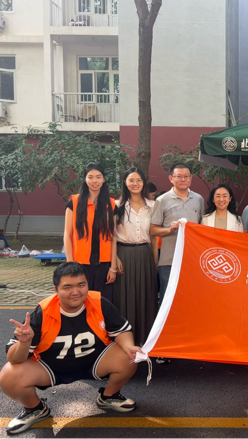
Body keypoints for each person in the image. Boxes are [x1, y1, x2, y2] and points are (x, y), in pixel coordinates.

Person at [0, 262, 141, 434]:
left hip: (94, 362)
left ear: (87, 285)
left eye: (81, 285)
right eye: (67, 287)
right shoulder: (43, 312)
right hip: (51, 368)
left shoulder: (99, 303)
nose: (75, 292)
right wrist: (24, 343)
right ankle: (35, 409)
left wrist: (129, 346)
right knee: (9, 375)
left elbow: (121, 331)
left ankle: (109, 396)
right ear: (56, 290)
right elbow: (14, 359)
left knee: (130, 355)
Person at [114, 167, 158, 346]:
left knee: (146, 296)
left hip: (145, 254)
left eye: (138, 180)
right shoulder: (117, 205)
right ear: (125, 183)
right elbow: (111, 235)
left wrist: (155, 261)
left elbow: (153, 236)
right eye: (131, 180)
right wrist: (115, 259)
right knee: (125, 297)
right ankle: (126, 341)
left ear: (144, 182)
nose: (135, 183)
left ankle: (146, 341)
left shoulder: (153, 206)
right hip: (124, 254)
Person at [63, 163, 118, 303]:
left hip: (104, 264)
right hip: (80, 263)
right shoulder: (74, 203)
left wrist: (113, 267)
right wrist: (70, 264)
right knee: (81, 301)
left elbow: (113, 237)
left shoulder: (111, 204)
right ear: (85, 179)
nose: (95, 181)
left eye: (98, 177)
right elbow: (67, 235)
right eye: (90, 177)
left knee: (103, 302)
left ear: (104, 179)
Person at [150, 163, 205, 305]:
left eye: (186, 176)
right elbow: (153, 230)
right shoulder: (162, 200)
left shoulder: (199, 199)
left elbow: (202, 227)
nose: (183, 179)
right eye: (179, 176)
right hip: (169, 260)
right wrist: (169, 229)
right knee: (168, 300)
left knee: (191, 298)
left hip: (192, 259)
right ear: (171, 178)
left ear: (191, 178)